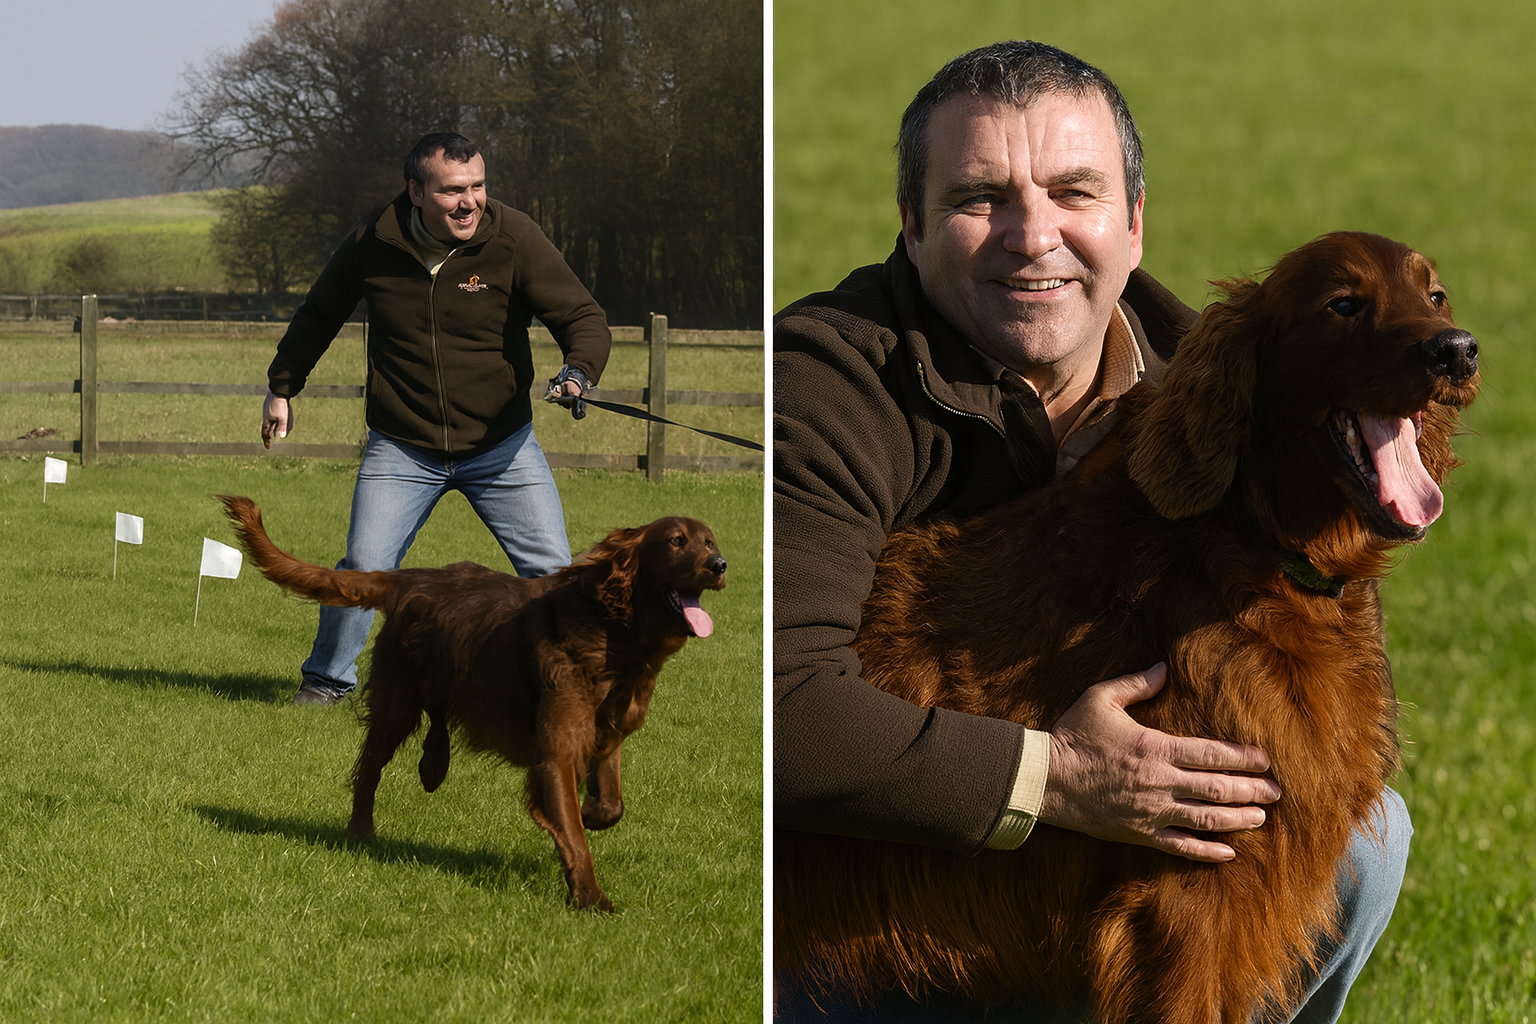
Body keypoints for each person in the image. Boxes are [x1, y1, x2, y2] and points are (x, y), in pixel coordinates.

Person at [773, 41, 1409, 1022]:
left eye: (1075, 192)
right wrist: (1051, 777)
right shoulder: (826, 386)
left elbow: (1325, 607)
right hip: (863, 899)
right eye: (981, 198)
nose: (1035, 237)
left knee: (1363, 845)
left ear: (1134, 223)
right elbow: (779, 711)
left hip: (1100, 872)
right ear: (911, 224)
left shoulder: (1215, 379)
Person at [262, 131, 611, 706]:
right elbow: (319, 314)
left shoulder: (515, 237)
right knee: (365, 568)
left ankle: (572, 688)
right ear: (416, 192)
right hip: (402, 446)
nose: (470, 202)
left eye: (477, 186)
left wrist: (577, 372)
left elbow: (582, 316)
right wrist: (282, 388)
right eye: (452, 191)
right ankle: (326, 684)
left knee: (550, 574)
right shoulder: (371, 241)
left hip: (502, 447)